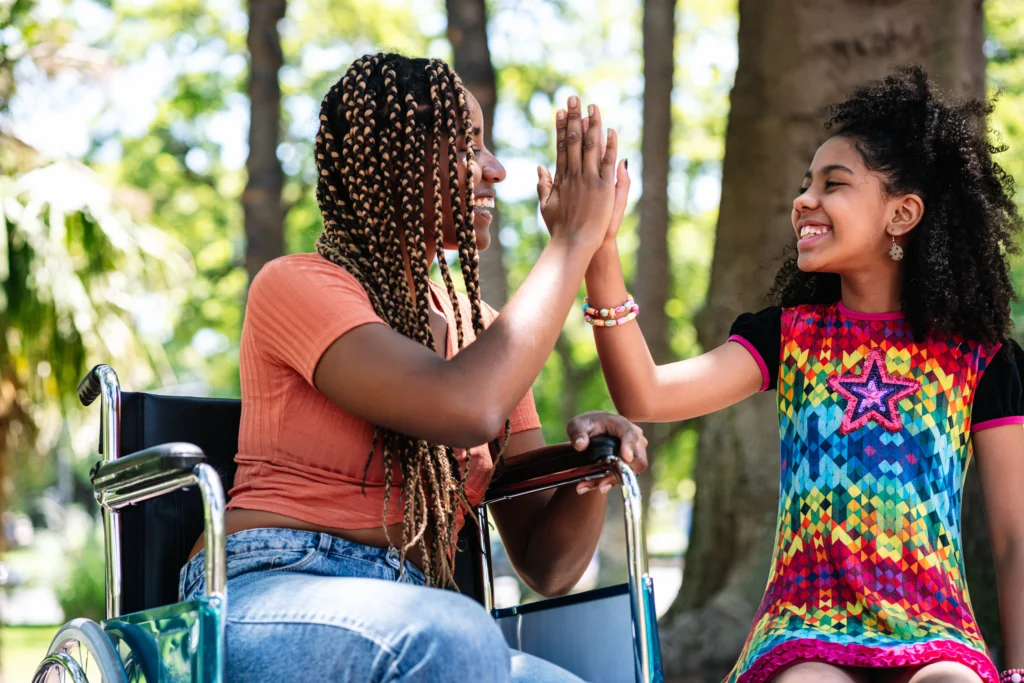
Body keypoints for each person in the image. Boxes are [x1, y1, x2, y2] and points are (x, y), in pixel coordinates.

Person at [179, 53, 645, 682]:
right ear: (396, 162)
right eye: (468, 145)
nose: (497, 170)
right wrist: (570, 244)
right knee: (451, 633)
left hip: (416, 608)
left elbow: (548, 565)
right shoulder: (297, 285)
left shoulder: (484, 332)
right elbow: (464, 407)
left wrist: (593, 467)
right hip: (268, 587)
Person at [582, 66, 1024, 683]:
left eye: (832, 184)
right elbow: (645, 393)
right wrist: (598, 249)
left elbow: (1013, 537)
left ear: (902, 214)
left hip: (936, 632)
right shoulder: (787, 336)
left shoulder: (982, 359)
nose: (804, 201)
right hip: (805, 629)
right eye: (805, 184)